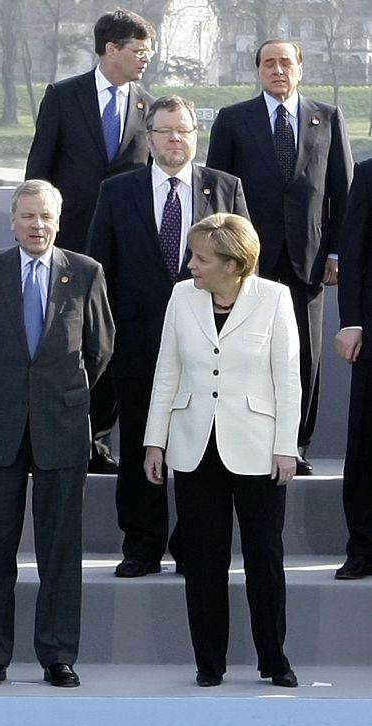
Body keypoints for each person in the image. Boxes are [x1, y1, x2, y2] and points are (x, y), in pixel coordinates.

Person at [0, 180, 114, 688]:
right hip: (1, 422)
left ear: (58, 220)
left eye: (45, 216)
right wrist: (13, 389)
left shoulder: (85, 272)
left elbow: (99, 349)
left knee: (60, 550)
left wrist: (57, 392)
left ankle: (57, 655)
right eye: (28, 216)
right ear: (12, 220)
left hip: (63, 425)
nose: (37, 225)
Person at [87, 95, 248, 578]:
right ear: (149, 137)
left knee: (199, 447)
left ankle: (192, 543)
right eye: (165, 131)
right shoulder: (118, 192)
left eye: (184, 131)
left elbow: (244, 267)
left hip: (208, 344)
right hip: (137, 342)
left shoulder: (225, 188)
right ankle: (142, 545)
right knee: (140, 442)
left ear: (195, 135)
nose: (175, 139)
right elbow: (100, 271)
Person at [143, 213, 299, 689]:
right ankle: (209, 663)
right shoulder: (180, 298)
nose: (191, 265)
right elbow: (166, 370)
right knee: (203, 560)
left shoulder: (274, 298)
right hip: (193, 446)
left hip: (257, 446)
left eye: (201, 258)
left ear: (234, 264)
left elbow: (288, 378)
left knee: (264, 558)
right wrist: (155, 439)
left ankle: (274, 660)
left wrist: (286, 446)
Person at [206, 39, 352, 475]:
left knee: (304, 355)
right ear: (258, 71)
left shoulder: (327, 117)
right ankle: (244, 440)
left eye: (285, 62)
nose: (277, 69)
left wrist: (338, 253)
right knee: (245, 352)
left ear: (300, 68)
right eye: (268, 62)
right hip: (248, 262)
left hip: (309, 260)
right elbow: (216, 194)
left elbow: (342, 194)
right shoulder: (234, 120)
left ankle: (296, 443)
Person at [25, 9, 156, 476]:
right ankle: (60, 437)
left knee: (110, 342)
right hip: (70, 243)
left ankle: (99, 438)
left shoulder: (147, 105)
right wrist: (36, 231)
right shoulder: (64, 96)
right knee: (66, 342)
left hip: (125, 248)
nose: (146, 58)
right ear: (110, 50)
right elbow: (40, 168)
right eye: (138, 50)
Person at [334, 159, 372, 579]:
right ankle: (362, 547)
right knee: (364, 450)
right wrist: (351, 322)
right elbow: (354, 250)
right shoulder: (368, 173)